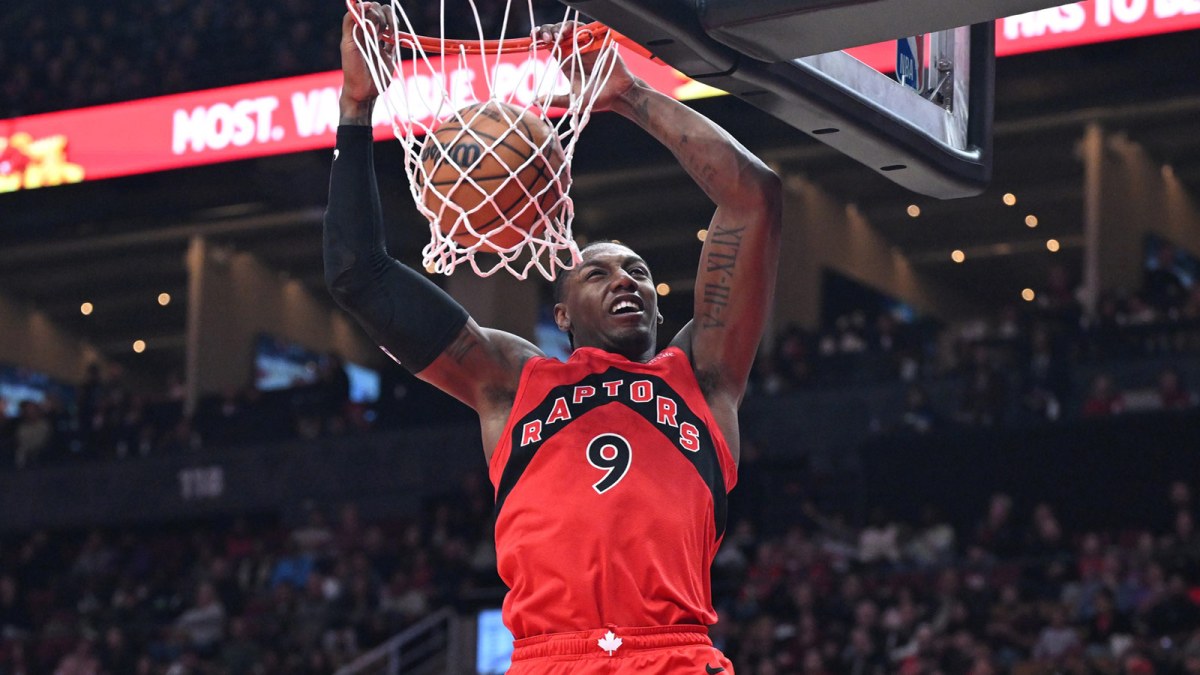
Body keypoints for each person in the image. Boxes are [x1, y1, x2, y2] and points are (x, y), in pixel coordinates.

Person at [324, 4, 781, 673]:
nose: (625, 280)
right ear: (561, 314)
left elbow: (754, 199)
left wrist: (628, 97)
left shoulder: (704, 378)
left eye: (640, 272)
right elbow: (359, 274)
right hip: (549, 658)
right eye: (598, 272)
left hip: (671, 656)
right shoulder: (511, 382)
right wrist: (356, 108)